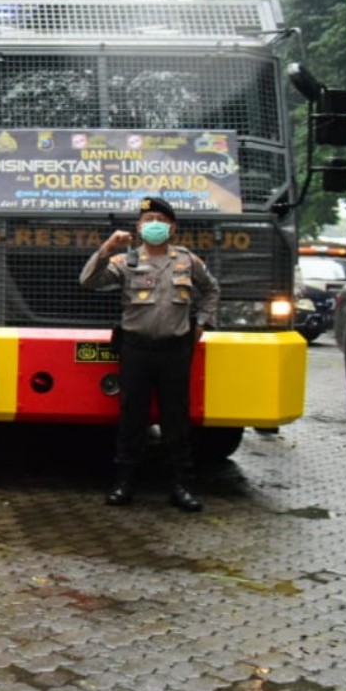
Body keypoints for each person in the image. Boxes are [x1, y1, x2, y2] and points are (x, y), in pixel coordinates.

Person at [80, 197, 219, 512]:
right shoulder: (125, 261)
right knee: (132, 418)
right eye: (147, 219)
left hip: (175, 351)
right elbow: (87, 281)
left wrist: (202, 322)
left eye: (159, 218)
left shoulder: (186, 261)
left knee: (176, 420)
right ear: (139, 227)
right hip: (136, 350)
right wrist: (106, 249)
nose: (153, 224)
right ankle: (124, 484)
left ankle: (181, 486)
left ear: (172, 227)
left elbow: (211, 289)